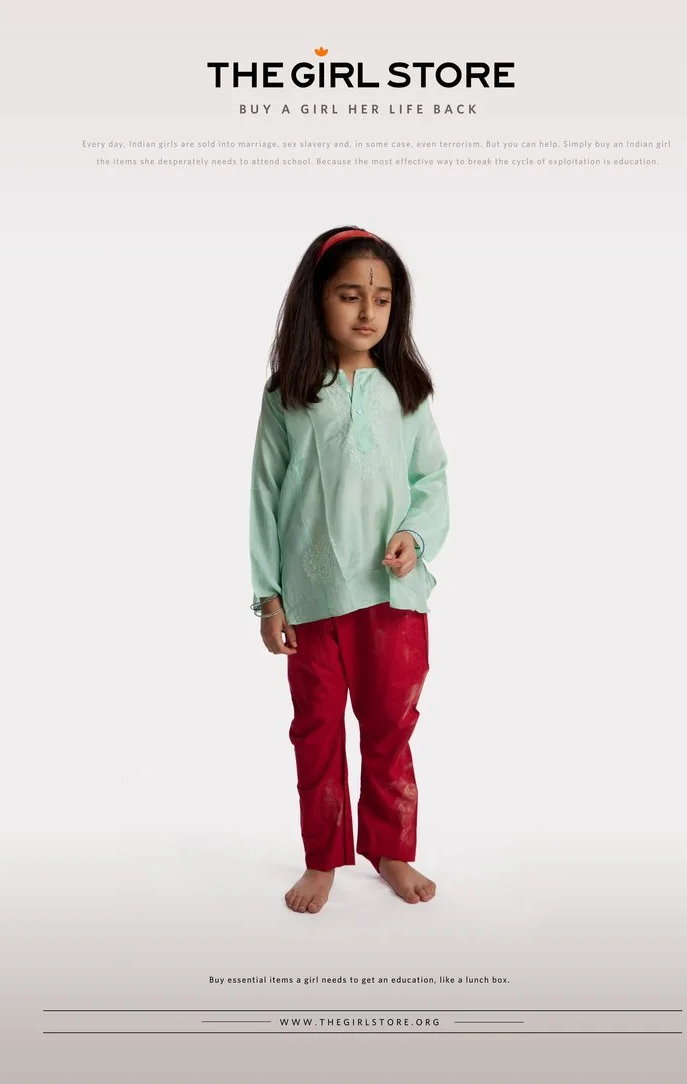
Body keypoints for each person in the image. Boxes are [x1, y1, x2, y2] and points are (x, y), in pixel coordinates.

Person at [249, 226, 450, 914]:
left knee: (391, 728)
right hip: (311, 597)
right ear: (317, 300)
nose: (368, 312)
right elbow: (264, 497)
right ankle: (322, 858)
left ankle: (390, 849)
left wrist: (414, 536)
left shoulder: (405, 390)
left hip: (392, 596)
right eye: (350, 295)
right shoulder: (288, 393)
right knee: (317, 731)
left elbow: (432, 481)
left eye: (382, 299)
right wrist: (268, 597)